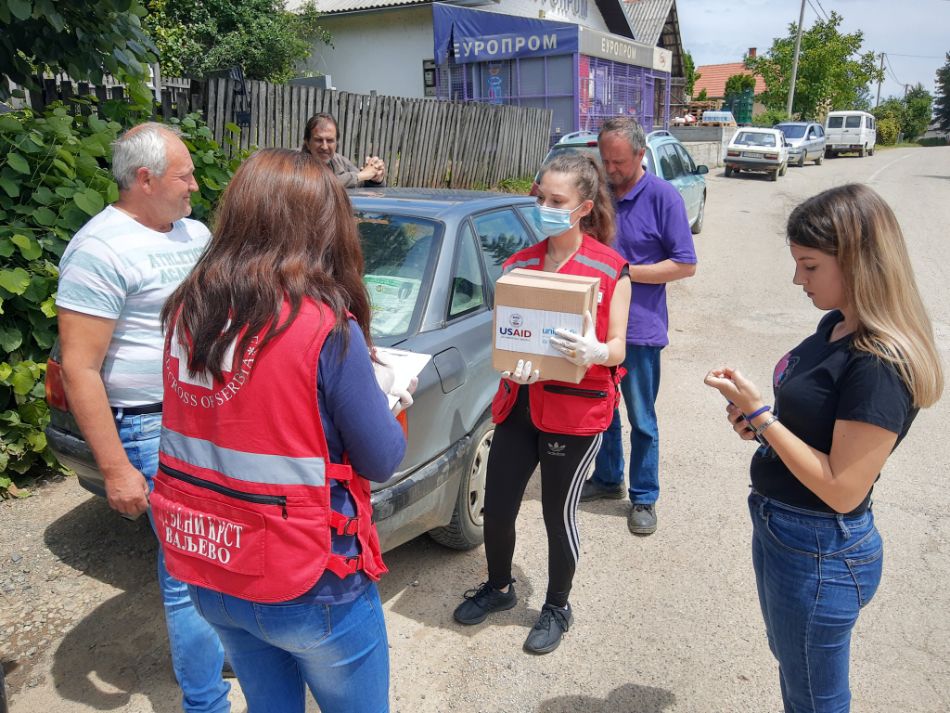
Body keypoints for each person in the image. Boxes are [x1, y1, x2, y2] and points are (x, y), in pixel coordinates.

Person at [151, 149, 412, 713]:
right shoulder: (323, 328)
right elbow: (381, 458)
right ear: (322, 229)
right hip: (310, 580)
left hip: (213, 565)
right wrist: (391, 402)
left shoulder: (185, 313)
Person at [704, 184, 943, 713]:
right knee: (794, 667)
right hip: (782, 528)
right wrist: (761, 425)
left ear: (858, 262)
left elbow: (841, 489)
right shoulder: (835, 326)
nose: (797, 279)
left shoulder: (879, 364)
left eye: (809, 266)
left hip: (820, 547)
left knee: (813, 697)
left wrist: (763, 416)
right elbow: (811, 428)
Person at [56, 123, 230, 712]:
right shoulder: (99, 250)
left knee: (220, 556)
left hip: (208, 416)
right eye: (184, 175)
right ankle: (206, 704)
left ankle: (222, 653)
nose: (195, 185)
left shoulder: (194, 232)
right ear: (144, 178)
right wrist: (114, 469)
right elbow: (80, 369)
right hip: (153, 427)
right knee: (188, 571)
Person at [453, 152, 631, 654]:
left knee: (558, 513)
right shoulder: (518, 264)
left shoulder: (610, 269)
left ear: (583, 207)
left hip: (576, 414)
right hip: (520, 405)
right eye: (542, 198)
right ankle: (499, 587)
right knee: (500, 506)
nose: (545, 208)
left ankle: (557, 605)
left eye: (557, 201)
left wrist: (597, 351)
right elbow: (505, 335)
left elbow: (618, 345)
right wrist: (508, 363)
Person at [580, 116, 697, 536]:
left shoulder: (664, 197)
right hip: (596, 326)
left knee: (642, 418)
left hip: (641, 331)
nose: (611, 172)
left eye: (620, 163)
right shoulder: (599, 195)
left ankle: (644, 496)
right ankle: (609, 478)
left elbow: (685, 264)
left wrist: (625, 273)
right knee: (603, 411)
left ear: (641, 154)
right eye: (605, 162)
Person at [302, 112, 385, 187]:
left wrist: (375, 178)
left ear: (336, 143)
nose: (324, 147)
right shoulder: (294, 162)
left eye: (330, 140)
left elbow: (363, 184)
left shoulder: (341, 162)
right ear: (307, 143)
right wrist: (359, 176)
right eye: (319, 140)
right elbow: (316, 184)